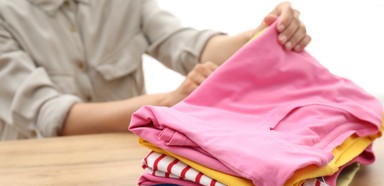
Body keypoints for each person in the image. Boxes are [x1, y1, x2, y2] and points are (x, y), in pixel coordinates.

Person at [0, 0, 310, 141]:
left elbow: (183, 42)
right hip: (34, 181)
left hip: (120, 168)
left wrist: (258, 35)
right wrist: (166, 103)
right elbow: (51, 116)